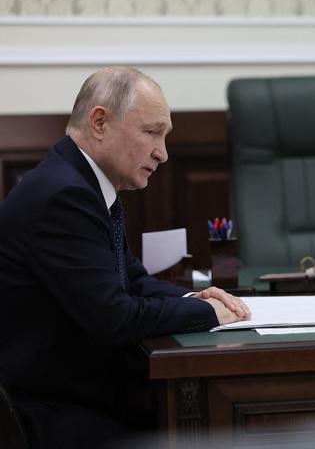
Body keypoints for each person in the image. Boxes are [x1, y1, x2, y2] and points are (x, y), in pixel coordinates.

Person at [0, 67, 251, 448]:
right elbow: (114, 317)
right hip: (46, 412)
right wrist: (208, 315)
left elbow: (131, 278)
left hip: (80, 393)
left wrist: (193, 298)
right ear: (99, 121)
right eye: (151, 133)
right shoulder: (63, 196)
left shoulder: (81, 181)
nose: (163, 153)